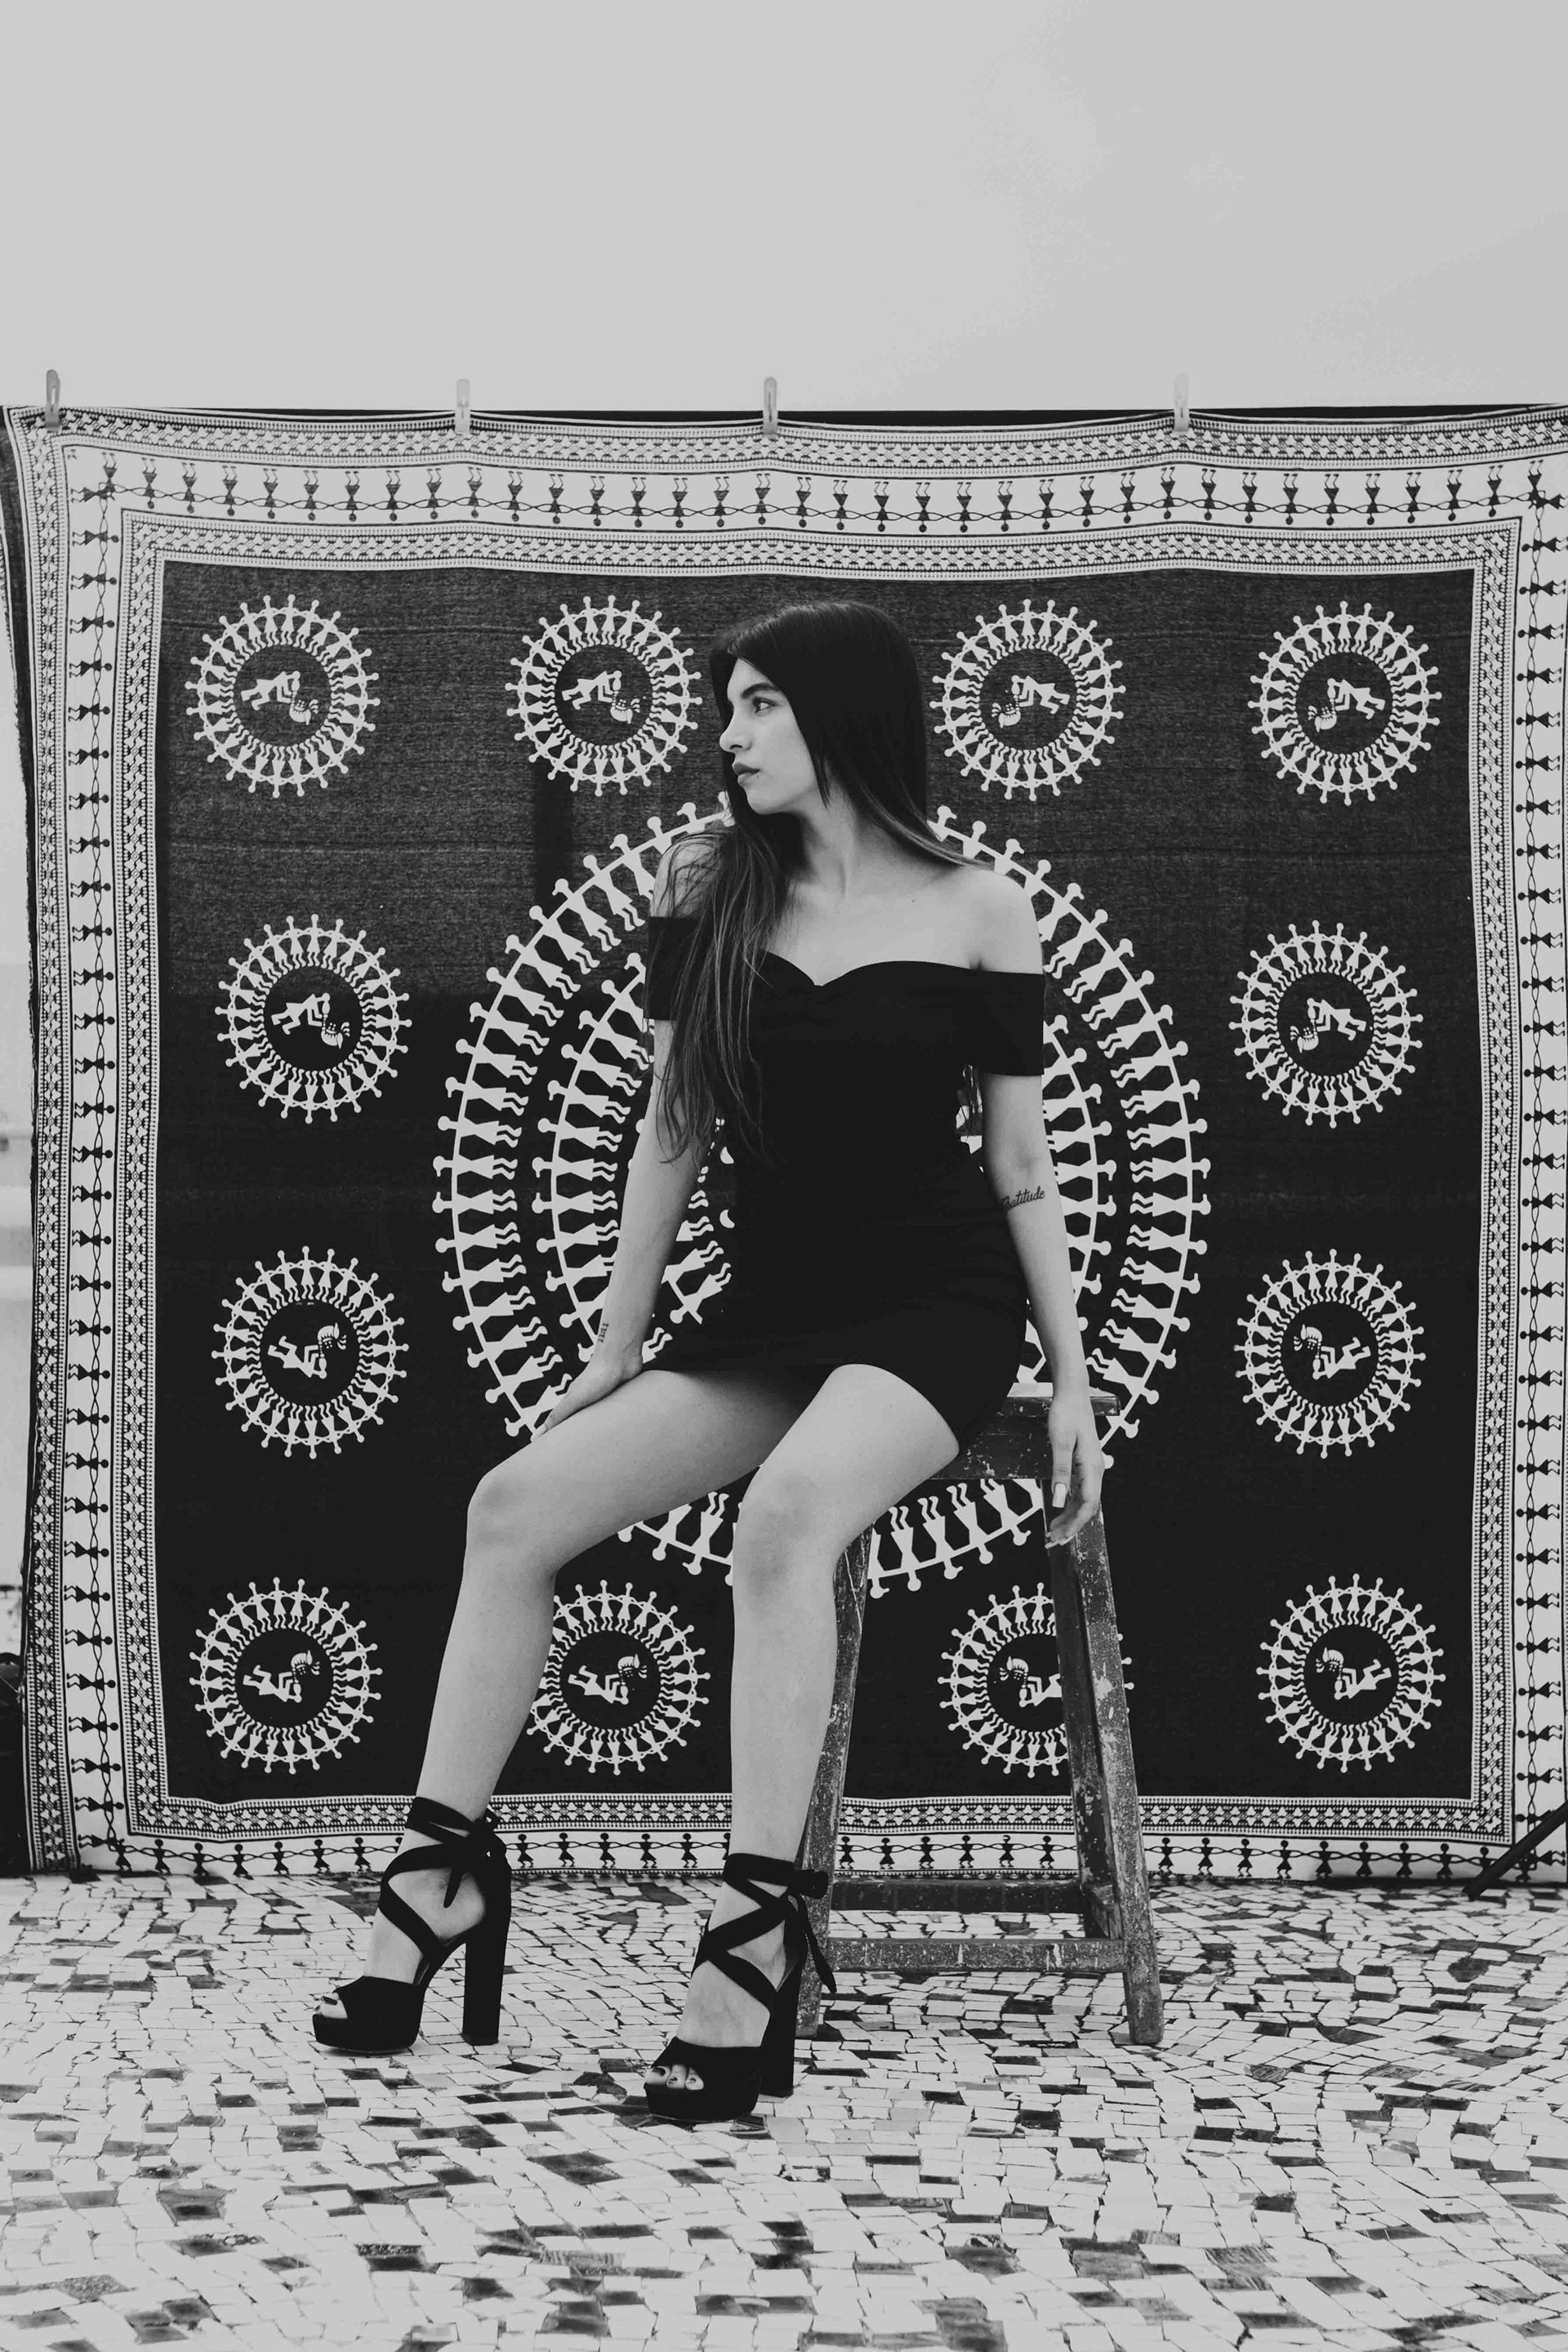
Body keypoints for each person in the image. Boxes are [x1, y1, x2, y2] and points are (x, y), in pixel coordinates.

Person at [312, 597, 1104, 2121]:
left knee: (785, 1521)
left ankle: (749, 1948)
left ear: (841, 718)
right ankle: (438, 1881)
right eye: (727, 706)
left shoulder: (981, 908)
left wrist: (1071, 1379)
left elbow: (1019, 1162)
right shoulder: (706, 884)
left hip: (931, 1306)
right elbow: (673, 1124)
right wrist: (618, 1343)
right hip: (771, 1307)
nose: (727, 735)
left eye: (759, 705)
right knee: (511, 1509)